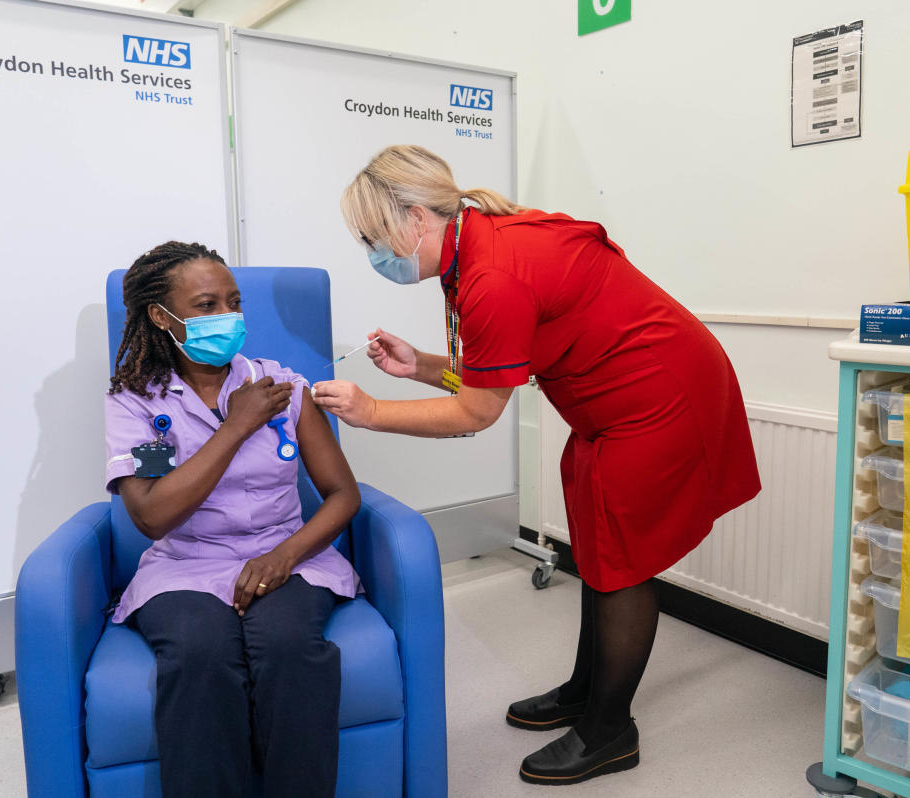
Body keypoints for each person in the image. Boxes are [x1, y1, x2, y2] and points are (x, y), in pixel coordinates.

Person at [312, 145, 761, 786]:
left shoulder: (492, 274)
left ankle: (611, 730)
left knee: (623, 561)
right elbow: (502, 362)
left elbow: (477, 413)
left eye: (372, 238)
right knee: (601, 549)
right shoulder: (480, 240)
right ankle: (586, 690)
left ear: (415, 217)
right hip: (615, 402)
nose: (373, 255)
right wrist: (422, 365)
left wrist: (371, 410)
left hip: (658, 400)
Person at [104, 241, 362, 798]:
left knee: (290, 647)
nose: (226, 317)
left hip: (288, 556)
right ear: (161, 316)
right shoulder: (138, 403)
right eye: (205, 305)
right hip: (185, 564)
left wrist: (283, 556)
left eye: (233, 302)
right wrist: (235, 426)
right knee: (199, 655)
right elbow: (151, 516)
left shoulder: (283, 387)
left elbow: (342, 494)